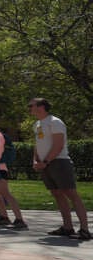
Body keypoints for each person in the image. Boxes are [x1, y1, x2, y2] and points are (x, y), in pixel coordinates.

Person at [29, 98, 89, 240]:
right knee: (57, 194)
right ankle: (67, 227)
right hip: (45, 164)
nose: (29, 108)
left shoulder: (55, 122)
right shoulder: (37, 124)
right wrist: (35, 160)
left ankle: (85, 230)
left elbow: (58, 145)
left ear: (41, 107)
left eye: (31, 105)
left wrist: (46, 161)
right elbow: (38, 145)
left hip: (59, 162)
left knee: (71, 194)